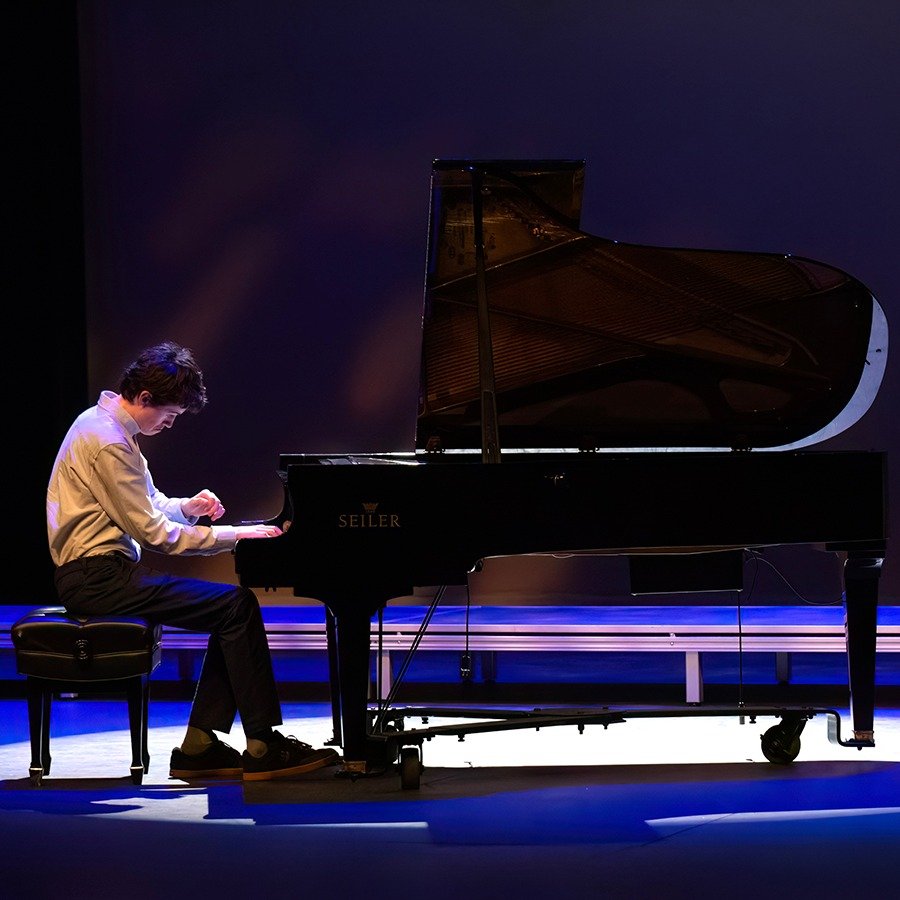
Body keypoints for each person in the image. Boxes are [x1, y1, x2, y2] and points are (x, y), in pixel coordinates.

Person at [46, 340, 339, 781]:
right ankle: (262, 744)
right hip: (96, 578)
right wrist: (235, 536)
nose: (170, 423)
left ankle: (200, 745)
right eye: (170, 414)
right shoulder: (108, 441)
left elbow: (147, 505)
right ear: (144, 398)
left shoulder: (105, 426)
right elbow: (153, 533)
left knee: (230, 610)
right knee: (236, 606)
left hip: (104, 573)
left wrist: (188, 508)